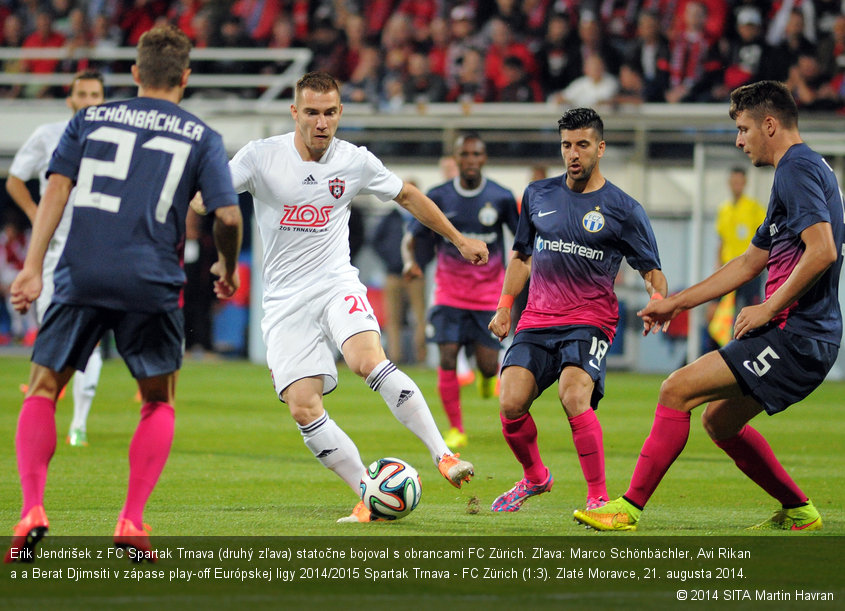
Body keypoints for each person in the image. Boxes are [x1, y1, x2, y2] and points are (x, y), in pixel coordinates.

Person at [4, 24, 243, 563]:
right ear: (186, 77)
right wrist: (225, 264)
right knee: (157, 400)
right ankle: (131, 521)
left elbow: (56, 189)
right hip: (151, 279)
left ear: (134, 75)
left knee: (43, 388)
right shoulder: (201, 136)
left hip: (82, 271)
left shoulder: (87, 118)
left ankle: (32, 511)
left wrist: (34, 267)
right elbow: (226, 214)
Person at [574, 80, 843, 532]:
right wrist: (676, 303)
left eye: (743, 129)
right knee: (719, 421)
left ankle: (628, 508)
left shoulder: (795, 168)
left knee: (675, 389)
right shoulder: (803, 169)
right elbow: (748, 262)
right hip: (803, 333)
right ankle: (800, 511)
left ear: (770, 125)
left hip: (799, 333)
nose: (739, 140)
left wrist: (766, 307)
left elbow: (823, 251)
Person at [226, 71, 488, 524]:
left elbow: (406, 195)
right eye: (311, 112)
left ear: (340, 112)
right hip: (285, 301)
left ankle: (443, 454)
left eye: (330, 113)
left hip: (335, 283)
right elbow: (209, 195)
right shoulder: (260, 157)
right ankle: (367, 495)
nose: (321, 122)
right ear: (295, 113)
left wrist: (458, 239)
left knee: (367, 359)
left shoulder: (354, 161)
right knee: (304, 407)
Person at [489, 108, 667, 513]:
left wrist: (658, 302)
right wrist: (504, 307)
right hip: (536, 319)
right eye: (567, 145)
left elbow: (652, 271)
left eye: (582, 145)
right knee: (510, 402)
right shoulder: (537, 195)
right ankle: (536, 478)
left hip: (589, 321)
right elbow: (520, 257)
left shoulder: (624, 208)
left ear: (600, 148)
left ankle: (598, 497)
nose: (573, 153)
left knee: (573, 396)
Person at [6, 69, 106, 447]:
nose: (88, 100)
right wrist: (36, 215)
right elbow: (16, 178)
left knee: (91, 338)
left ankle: (78, 424)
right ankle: (49, 400)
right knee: (53, 337)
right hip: (54, 255)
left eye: (95, 94)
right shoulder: (49, 135)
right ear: (71, 100)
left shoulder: (118, 140)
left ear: (102, 100)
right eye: (82, 93)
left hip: (99, 251)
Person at [403, 133, 519, 449]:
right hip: (448, 295)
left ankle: (486, 378)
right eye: (464, 155)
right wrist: (409, 262)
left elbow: (522, 244)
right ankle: (456, 428)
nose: (470, 160)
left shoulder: (502, 197)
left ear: (484, 158)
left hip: (487, 297)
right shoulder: (439, 196)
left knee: (485, 364)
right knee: (448, 356)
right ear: (455, 159)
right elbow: (411, 236)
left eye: (475, 154)